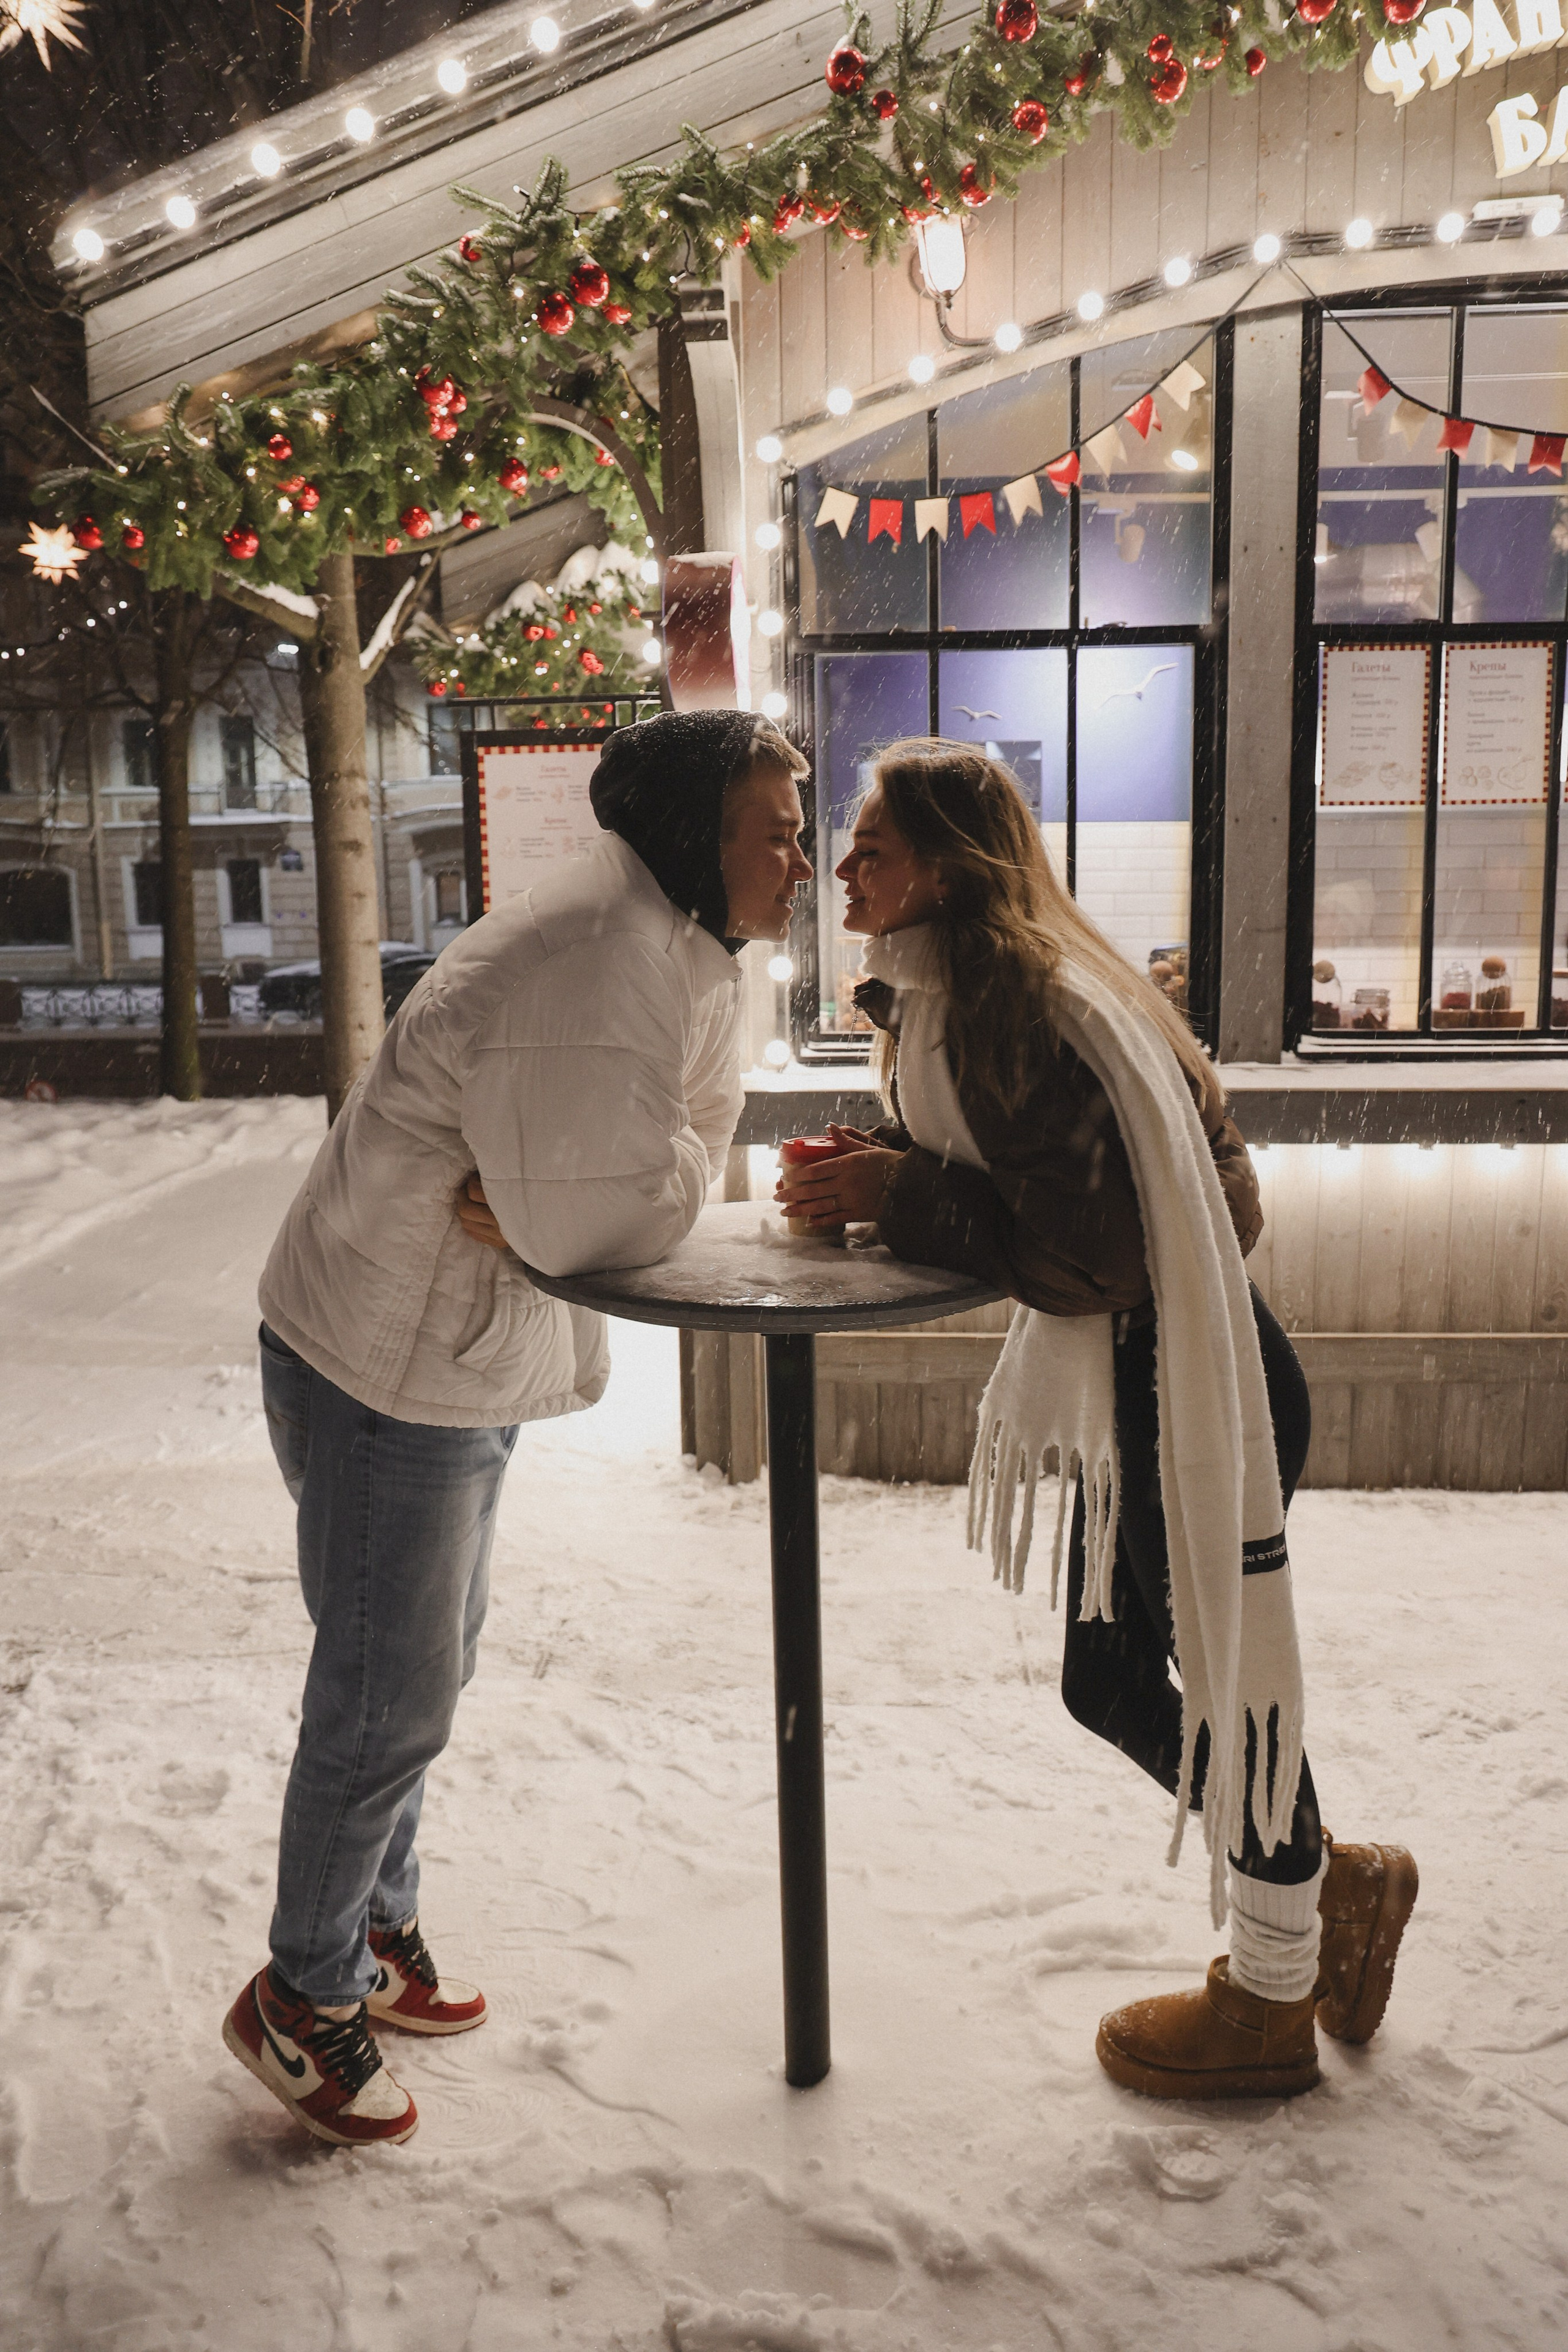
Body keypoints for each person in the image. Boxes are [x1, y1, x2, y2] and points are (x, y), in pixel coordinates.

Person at [778, 739, 1417, 2101]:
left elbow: (1096, 1254)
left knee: (1162, 1684)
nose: (844, 866)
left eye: (870, 848)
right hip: (1197, 1378)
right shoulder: (1037, 983)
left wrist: (900, 1196)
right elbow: (1193, 1190)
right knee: (1122, 1679)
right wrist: (891, 1165)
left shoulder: (1012, 1007)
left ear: (941, 871)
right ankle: (1324, 1878)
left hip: (1181, 1399)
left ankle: (1267, 1990)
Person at [225, 710, 812, 2147]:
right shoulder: (603, 959)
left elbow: (648, 1161)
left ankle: (370, 1929)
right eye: (775, 829)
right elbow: (602, 1214)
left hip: (436, 1347)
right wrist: (605, 1181)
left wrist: (608, 1177)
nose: (798, 856)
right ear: (695, 835)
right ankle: (302, 1995)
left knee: (424, 1664)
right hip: (384, 1359)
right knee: (386, 1692)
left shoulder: (674, 941)